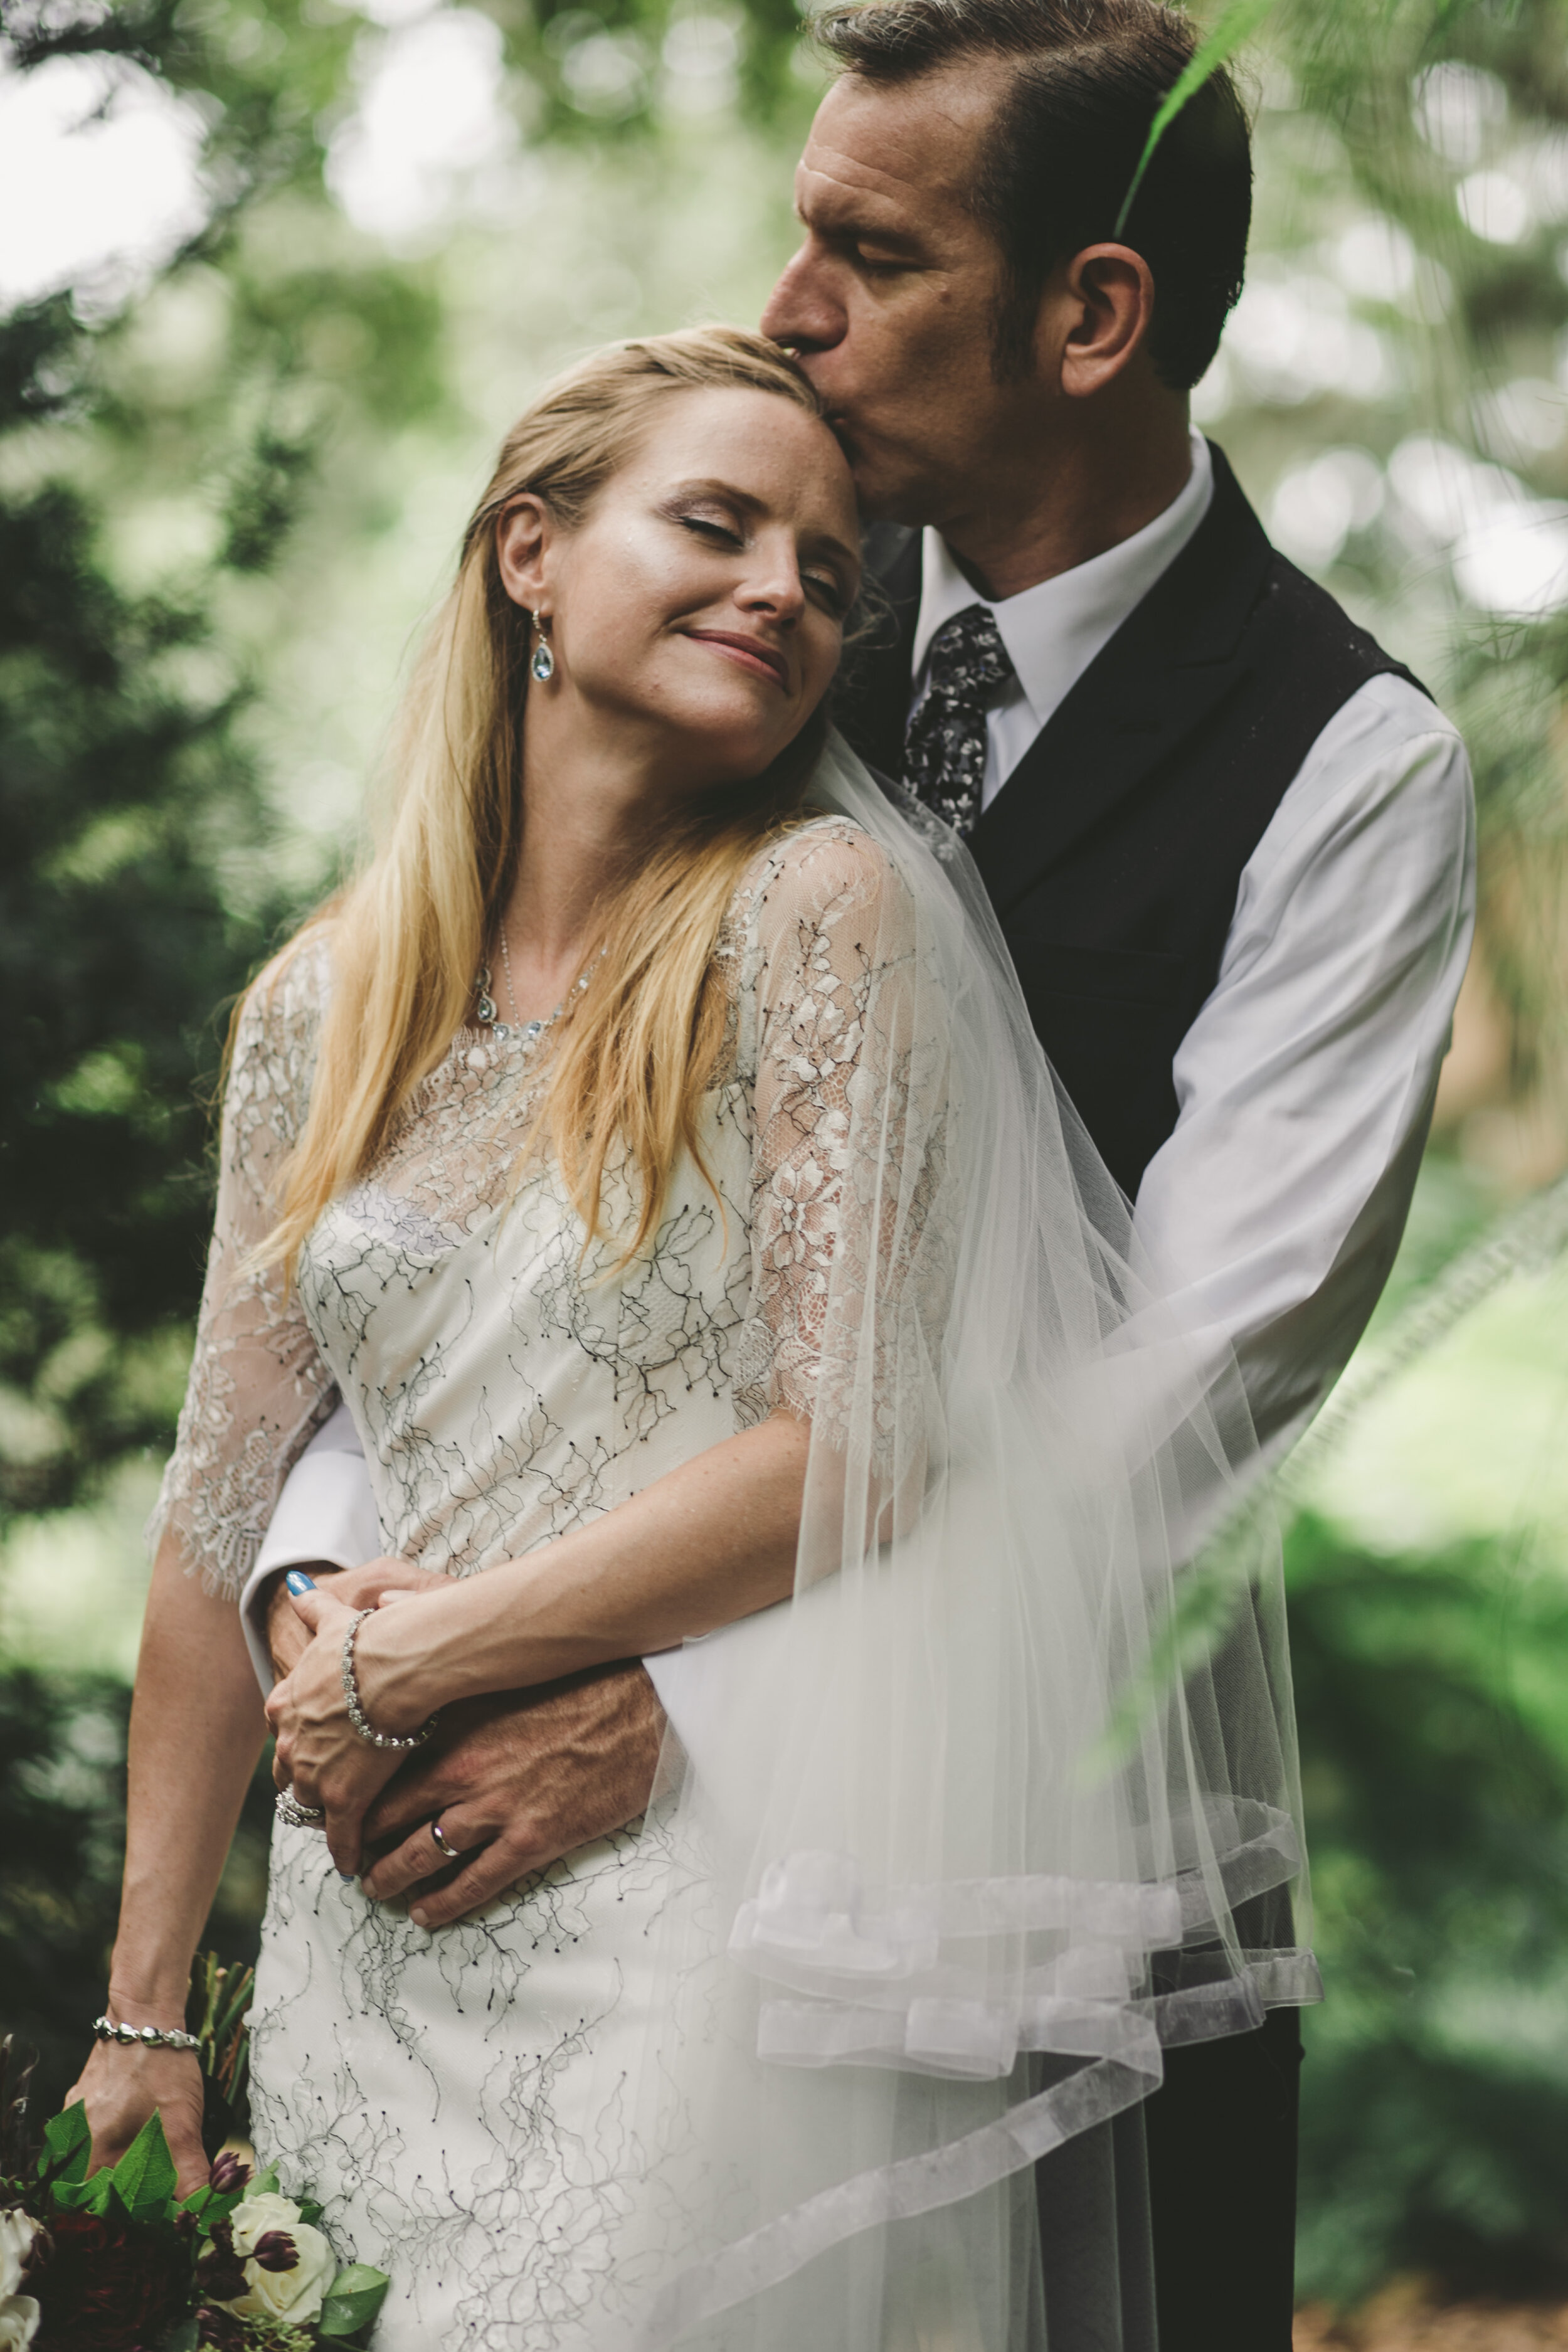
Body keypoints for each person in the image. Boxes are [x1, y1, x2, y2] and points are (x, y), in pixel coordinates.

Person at [240, 3, 1476, 2346]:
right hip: (480, 1847)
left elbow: (1185, 1390)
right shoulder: (716, 611)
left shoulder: (1345, 769)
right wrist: (324, 1579)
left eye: (865, 252)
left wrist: (684, 1709)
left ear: (1088, 317)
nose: (786, 306)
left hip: (1005, 1889)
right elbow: (441, 1123)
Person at [71, 326, 1311, 2350]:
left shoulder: (819, 912)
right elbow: (215, 1521)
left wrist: (424, 1654)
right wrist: (144, 2019)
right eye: (717, 527)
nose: (785, 596)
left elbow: (860, 1445)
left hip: (686, 1914)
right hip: (362, 1925)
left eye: (830, 576)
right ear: (529, 554)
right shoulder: (324, 1002)